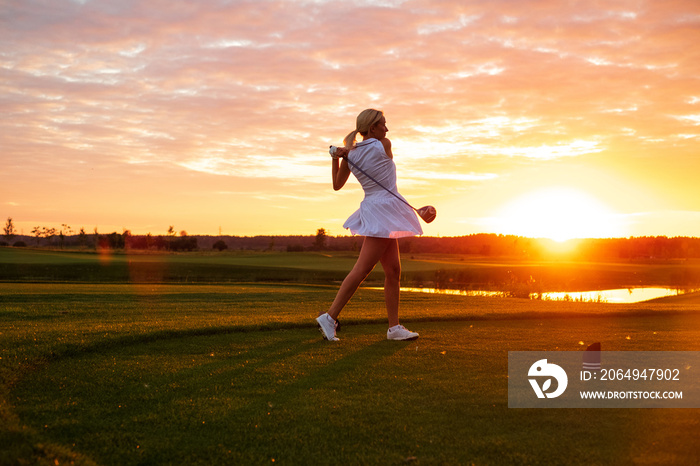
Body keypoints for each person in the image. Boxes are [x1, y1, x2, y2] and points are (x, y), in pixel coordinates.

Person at [316, 109, 422, 342]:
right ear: (372, 128)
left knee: (393, 271)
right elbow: (338, 185)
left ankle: (394, 328)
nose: (387, 129)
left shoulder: (353, 152)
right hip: (381, 210)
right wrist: (340, 155)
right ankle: (330, 317)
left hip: (383, 208)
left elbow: (336, 183)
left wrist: (338, 156)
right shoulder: (381, 144)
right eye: (383, 124)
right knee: (363, 269)